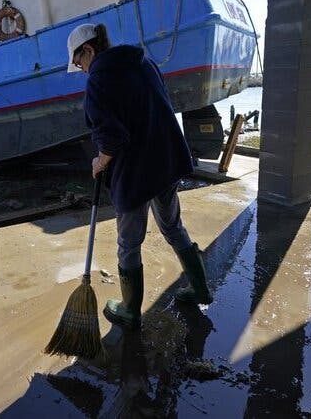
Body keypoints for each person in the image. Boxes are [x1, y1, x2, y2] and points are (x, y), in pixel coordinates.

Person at [66, 23, 213, 330]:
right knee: (173, 226)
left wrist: (99, 161)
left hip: (136, 171)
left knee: (129, 243)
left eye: (79, 62)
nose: (81, 69)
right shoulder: (144, 63)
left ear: (89, 50)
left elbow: (111, 138)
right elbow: (160, 106)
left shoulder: (98, 80)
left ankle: (130, 311)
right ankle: (200, 289)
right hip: (167, 160)